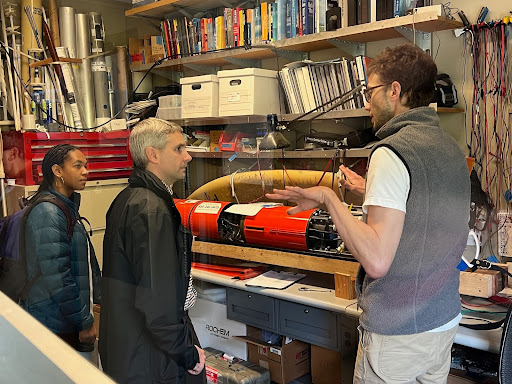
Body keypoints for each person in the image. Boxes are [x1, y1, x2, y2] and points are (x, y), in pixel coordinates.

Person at [267, 44, 471, 383]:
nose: (366, 103)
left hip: (398, 335)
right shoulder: (449, 146)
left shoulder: (392, 152)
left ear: (394, 91)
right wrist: (372, 193)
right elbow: (427, 207)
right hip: (443, 321)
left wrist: (329, 199)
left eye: (370, 91)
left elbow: (376, 260)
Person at [99, 118, 206, 384]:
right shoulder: (152, 210)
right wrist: (188, 354)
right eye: (179, 149)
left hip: (130, 351)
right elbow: (158, 303)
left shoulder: (127, 199)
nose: (188, 156)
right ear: (152, 154)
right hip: (152, 361)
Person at [23, 144, 100, 360]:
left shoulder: (65, 207)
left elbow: (81, 264)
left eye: (85, 165)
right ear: (57, 171)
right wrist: (83, 322)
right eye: (77, 166)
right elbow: (59, 278)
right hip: (54, 323)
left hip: (64, 319)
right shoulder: (49, 212)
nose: (86, 171)